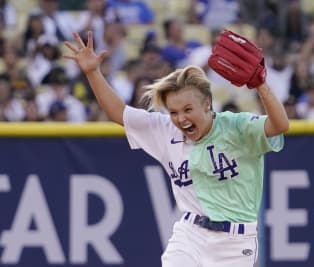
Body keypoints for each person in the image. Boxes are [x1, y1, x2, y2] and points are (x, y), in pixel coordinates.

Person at [64, 31, 289, 267]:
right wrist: (92, 72)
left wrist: (261, 85)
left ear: (207, 104)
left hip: (235, 241)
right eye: (173, 112)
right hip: (190, 233)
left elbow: (280, 125)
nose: (180, 119)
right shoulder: (165, 131)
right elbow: (118, 113)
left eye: (187, 109)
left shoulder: (237, 127)